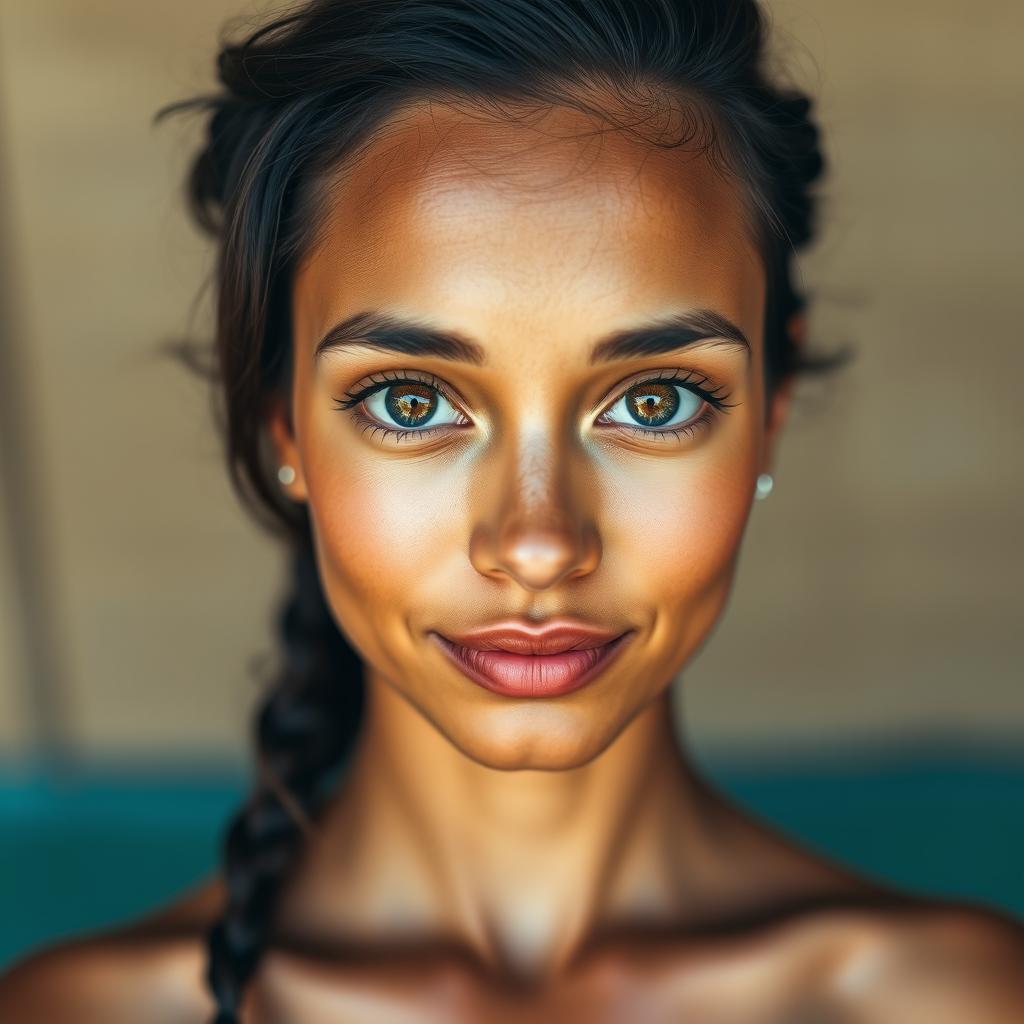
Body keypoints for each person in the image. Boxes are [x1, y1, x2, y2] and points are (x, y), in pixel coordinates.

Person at [3, 0, 1023, 1020]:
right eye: (412, 402)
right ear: (283, 425)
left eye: (653, 401)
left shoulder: (950, 1000)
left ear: (770, 408)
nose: (537, 542)